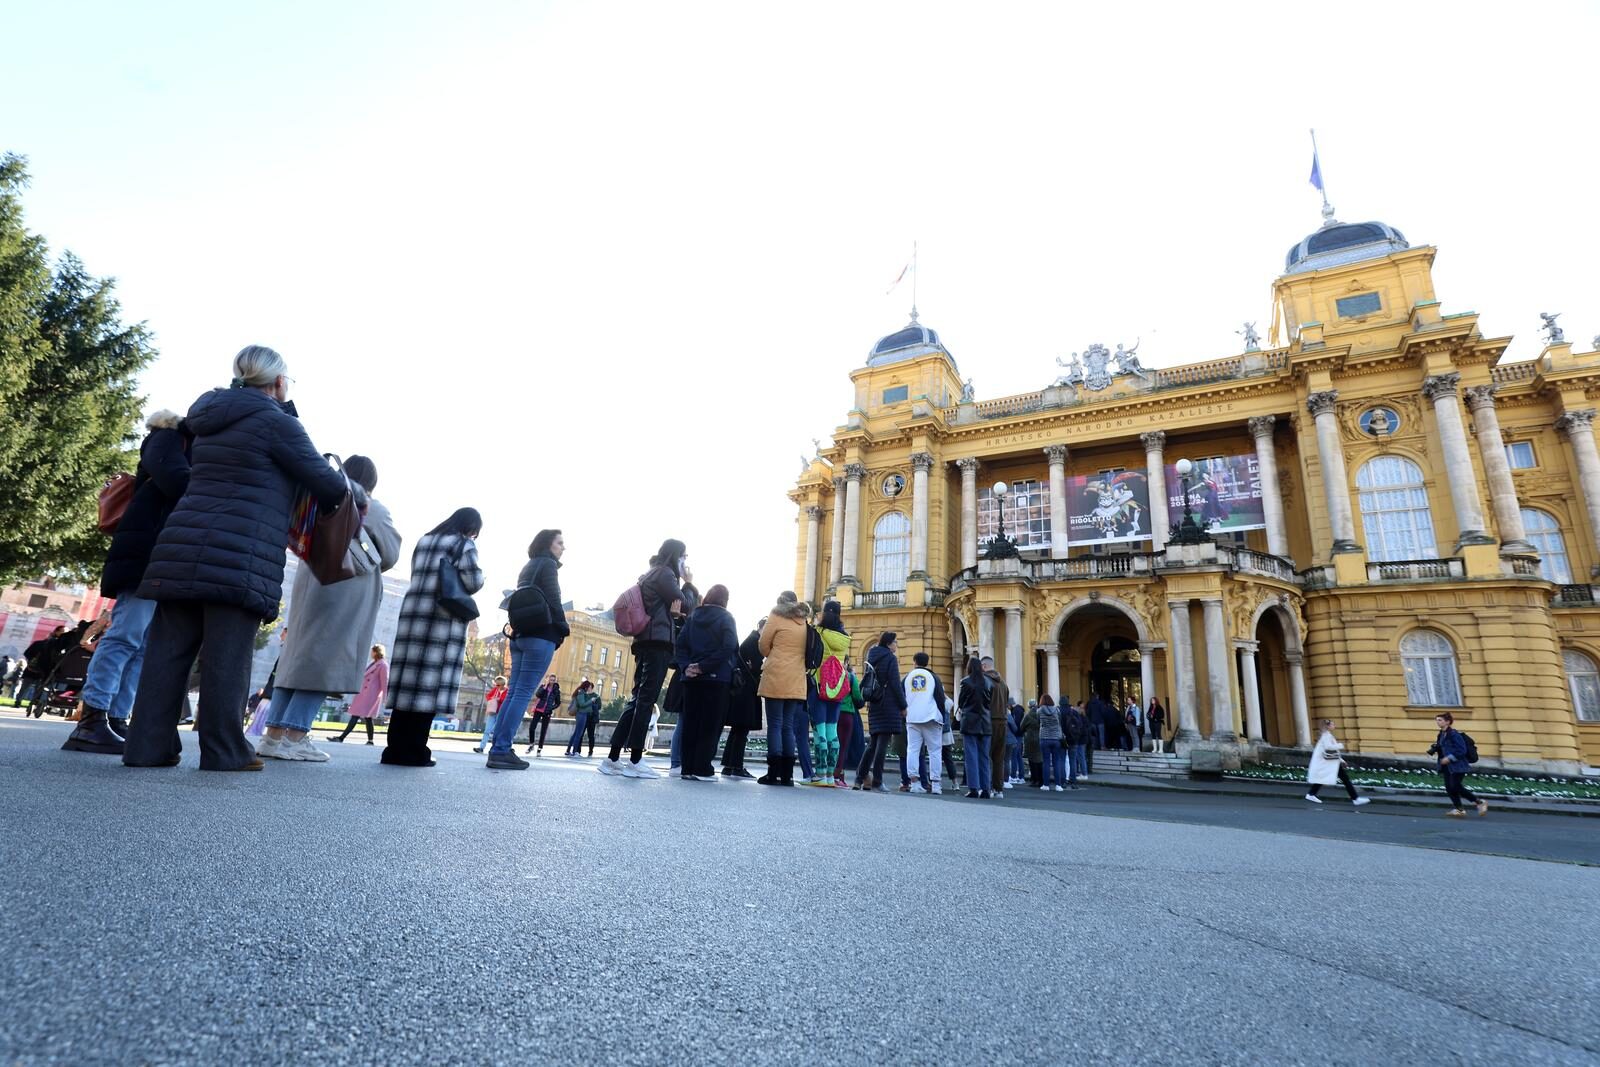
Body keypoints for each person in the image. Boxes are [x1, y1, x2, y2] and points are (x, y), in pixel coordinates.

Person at [122, 346, 351, 772]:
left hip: (182, 544)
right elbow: (326, 483)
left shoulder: (206, 416)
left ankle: (146, 748)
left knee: (166, 654)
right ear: (278, 382)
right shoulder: (275, 423)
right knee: (227, 656)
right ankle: (225, 751)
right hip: (239, 550)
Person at [259, 454, 402, 763]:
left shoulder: (318, 495)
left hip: (310, 581)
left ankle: (272, 736)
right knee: (326, 659)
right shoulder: (370, 507)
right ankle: (296, 736)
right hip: (345, 584)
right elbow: (390, 553)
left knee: (295, 659)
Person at [64, 410, 192, 753]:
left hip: (162, 555)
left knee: (143, 643)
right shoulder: (167, 437)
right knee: (125, 637)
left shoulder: (188, 443)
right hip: (146, 553)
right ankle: (92, 719)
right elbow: (177, 480)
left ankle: (115, 718)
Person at [383, 508, 485, 768]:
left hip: (414, 613)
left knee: (408, 686)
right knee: (428, 687)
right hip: (441, 618)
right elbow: (472, 581)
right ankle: (416, 751)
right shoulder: (463, 543)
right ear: (471, 527)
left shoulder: (424, 540)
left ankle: (393, 749)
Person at [600, 539, 690, 780]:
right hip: (657, 642)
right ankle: (636, 761)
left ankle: (612, 758)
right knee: (645, 700)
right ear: (676, 555)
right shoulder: (665, 574)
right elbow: (688, 604)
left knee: (638, 699)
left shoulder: (653, 573)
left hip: (646, 641)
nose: (685, 561)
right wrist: (689, 583)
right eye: (684, 556)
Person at [488, 530, 568, 771]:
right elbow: (554, 599)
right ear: (548, 544)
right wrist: (563, 628)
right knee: (522, 694)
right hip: (540, 635)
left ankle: (497, 748)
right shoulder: (548, 566)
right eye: (560, 543)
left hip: (519, 634)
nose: (564, 548)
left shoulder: (529, 565)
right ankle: (502, 750)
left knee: (513, 693)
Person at [674, 583, 739, 781]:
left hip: (691, 679)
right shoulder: (726, 618)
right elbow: (729, 646)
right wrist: (705, 667)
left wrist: (687, 667)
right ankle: (702, 768)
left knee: (691, 723)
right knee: (710, 724)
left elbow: (680, 644)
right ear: (725, 601)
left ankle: (687, 768)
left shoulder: (693, 616)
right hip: (716, 679)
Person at [756, 591, 809, 787]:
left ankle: (773, 773)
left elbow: (763, 644)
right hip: (796, 678)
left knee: (775, 724)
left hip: (777, 676)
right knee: (788, 726)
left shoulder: (776, 615)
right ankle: (787, 776)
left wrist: (774, 655)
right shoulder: (803, 620)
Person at [853, 632, 904, 792]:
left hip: (874, 703)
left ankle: (858, 779)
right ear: (889, 644)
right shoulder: (890, 659)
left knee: (873, 744)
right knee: (882, 744)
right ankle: (877, 780)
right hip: (887, 704)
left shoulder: (871, 656)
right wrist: (903, 705)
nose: (896, 645)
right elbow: (895, 684)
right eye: (895, 642)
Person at [808, 599, 850, 787]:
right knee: (833, 731)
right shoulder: (845, 637)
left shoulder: (818, 632)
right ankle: (832, 776)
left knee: (820, 731)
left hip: (819, 685)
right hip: (837, 687)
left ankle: (820, 774)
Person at [721, 621, 765, 778]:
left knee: (737, 730)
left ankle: (728, 765)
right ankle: (737, 766)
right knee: (741, 730)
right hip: (746, 691)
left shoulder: (751, 640)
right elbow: (756, 666)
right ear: (761, 627)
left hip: (741, 691)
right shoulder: (754, 642)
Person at [902, 651, 947, 795]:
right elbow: (940, 698)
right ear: (927, 662)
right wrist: (942, 717)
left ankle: (914, 783)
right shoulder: (933, 677)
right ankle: (935, 785)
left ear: (914, 661)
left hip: (912, 717)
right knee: (934, 751)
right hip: (931, 717)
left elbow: (901, 696)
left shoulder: (907, 677)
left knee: (912, 750)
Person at [1430, 712, 1488, 817]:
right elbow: (1443, 747)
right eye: (1437, 720)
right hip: (1446, 766)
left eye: (1440, 720)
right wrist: (1435, 748)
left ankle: (1479, 802)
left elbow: (1462, 750)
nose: (1437, 722)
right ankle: (1459, 809)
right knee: (1449, 788)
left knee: (1455, 786)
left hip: (1458, 765)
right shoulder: (1441, 734)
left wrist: (1449, 758)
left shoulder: (1454, 734)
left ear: (1447, 722)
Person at [1305, 719, 1370, 806]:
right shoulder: (1326, 736)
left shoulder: (1327, 735)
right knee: (1345, 779)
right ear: (1328, 726)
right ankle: (1355, 798)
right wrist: (1341, 745)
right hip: (1329, 762)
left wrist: (1341, 760)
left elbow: (1332, 751)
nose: (1334, 726)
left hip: (1331, 762)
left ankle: (1311, 794)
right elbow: (1329, 748)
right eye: (1332, 725)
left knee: (1326, 778)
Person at [333, 645, 389, 744]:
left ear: (376, 652)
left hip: (371, 695)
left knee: (356, 715)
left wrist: (385, 697)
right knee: (368, 718)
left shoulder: (383, 665)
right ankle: (370, 740)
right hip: (364, 694)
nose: (371, 654)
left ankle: (341, 738)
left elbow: (384, 682)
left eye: (372, 651)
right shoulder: (373, 663)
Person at [958, 656, 993, 799]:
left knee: (971, 756)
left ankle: (973, 788)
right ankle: (986, 789)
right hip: (985, 722)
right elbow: (989, 702)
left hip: (970, 721)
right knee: (984, 757)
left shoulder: (965, 682)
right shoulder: (989, 682)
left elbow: (961, 702)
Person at [980, 656, 1009, 799]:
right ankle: (999, 789)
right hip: (1003, 722)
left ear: (984, 666)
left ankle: (985, 787)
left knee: (985, 755)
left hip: (988, 721)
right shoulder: (1003, 684)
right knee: (999, 758)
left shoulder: (985, 680)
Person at [834, 657, 863, 788]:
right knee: (843, 746)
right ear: (846, 663)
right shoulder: (850, 676)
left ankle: (826, 774)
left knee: (831, 744)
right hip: (846, 714)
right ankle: (838, 776)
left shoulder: (830, 673)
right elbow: (857, 697)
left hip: (832, 713)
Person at [526, 673, 562, 756]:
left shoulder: (557, 690)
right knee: (532, 727)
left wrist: (551, 708)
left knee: (543, 730)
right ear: (548, 680)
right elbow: (537, 695)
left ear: (555, 681)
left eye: (553, 680)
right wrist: (544, 688)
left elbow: (558, 703)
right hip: (538, 709)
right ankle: (531, 744)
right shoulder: (543, 687)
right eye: (550, 679)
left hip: (547, 712)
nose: (552, 681)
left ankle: (539, 749)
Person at [1036, 694, 1065, 791]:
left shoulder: (1039, 711)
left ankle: (1046, 785)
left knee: (1046, 762)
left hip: (1044, 738)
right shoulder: (1057, 710)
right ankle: (1058, 785)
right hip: (1056, 738)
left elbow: (1038, 722)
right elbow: (1060, 722)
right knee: (1057, 761)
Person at [565, 680, 600, 757]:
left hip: (582, 714)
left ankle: (568, 751)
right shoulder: (581, 693)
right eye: (589, 687)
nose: (589, 688)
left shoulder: (581, 692)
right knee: (578, 734)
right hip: (581, 715)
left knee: (575, 734)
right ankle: (574, 752)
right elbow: (582, 704)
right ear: (586, 687)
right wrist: (591, 700)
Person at [473, 676, 508, 754]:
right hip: (492, 711)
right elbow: (488, 696)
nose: (496, 686)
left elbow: (507, 701)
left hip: (501, 713)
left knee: (496, 731)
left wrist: (500, 699)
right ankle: (481, 747)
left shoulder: (507, 691)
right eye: (496, 684)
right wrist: (492, 698)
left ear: (503, 684)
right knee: (487, 730)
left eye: (498, 685)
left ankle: (495, 748)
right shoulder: (495, 689)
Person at [1063, 699, 1090, 788]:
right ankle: (1073, 779)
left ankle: (1066, 778)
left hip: (1068, 739)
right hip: (1076, 740)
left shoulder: (1062, 713)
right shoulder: (1078, 716)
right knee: (1073, 759)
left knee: (1066, 759)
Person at [1021, 701, 1042, 787]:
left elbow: (1021, 726)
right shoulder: (1040, 714)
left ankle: (1034, 779)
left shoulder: (1027, 715)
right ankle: (1041, 780)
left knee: (1031, 760)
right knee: (1040, 760)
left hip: (1030, 738)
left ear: (1029, 706)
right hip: (1040, 737)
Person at [1006, 703, 1026, 786]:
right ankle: (1021, 777)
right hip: (1020, 735)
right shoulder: (1020, 710)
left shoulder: (1015, 711)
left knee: (1014, 756)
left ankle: (1013, 776)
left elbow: (1014, 725)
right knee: (1018, 756)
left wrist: (1015, 732)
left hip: (1016, 736)